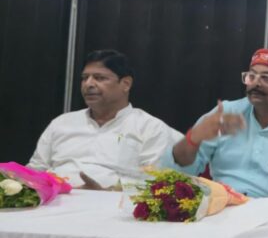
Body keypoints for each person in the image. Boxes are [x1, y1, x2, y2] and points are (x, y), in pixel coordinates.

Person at [163, 48, 268, 201]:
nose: (255, 83)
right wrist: (193, 137)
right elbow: (175, 173)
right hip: (222, 211)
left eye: (267, 78)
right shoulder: (225, 113)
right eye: (251, 76)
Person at [29, 49, 181, 189]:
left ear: (126, 84)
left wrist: (106, 191)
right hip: (53, 200)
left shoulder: (149, 127)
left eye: (100, 78)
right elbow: (35, 169)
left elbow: (155, 181)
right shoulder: (62, 123)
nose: (88, 84)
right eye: (84, 78)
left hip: (113, 204)